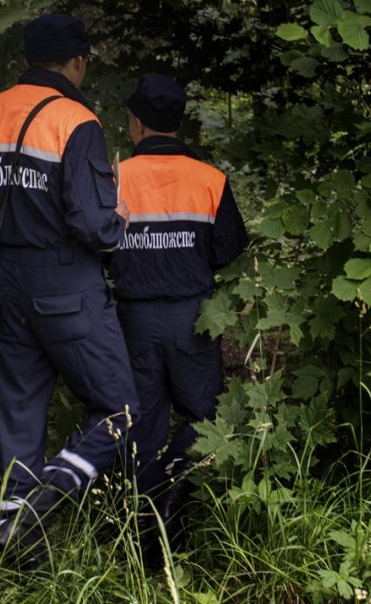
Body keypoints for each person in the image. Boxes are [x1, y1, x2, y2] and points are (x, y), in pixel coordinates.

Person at [0, 12, 138, 560]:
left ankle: (14, 551)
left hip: (7, 283)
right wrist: (120, 221)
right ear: (78, 62)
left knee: (19, 418)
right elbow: (91, 223)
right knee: (121, 411)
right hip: (67, 282)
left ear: (25, 61)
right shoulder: (74, 120)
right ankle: (52, 492)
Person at [108, 73, 248, 561]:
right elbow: (229, 248)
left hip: (134, 321)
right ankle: (176, 502)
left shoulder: (115, 177)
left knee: (140, 425)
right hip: (194, 318)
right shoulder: (211, 179)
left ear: (137, 123)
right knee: (204, 417)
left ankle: (142, 534)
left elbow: (95, 243)